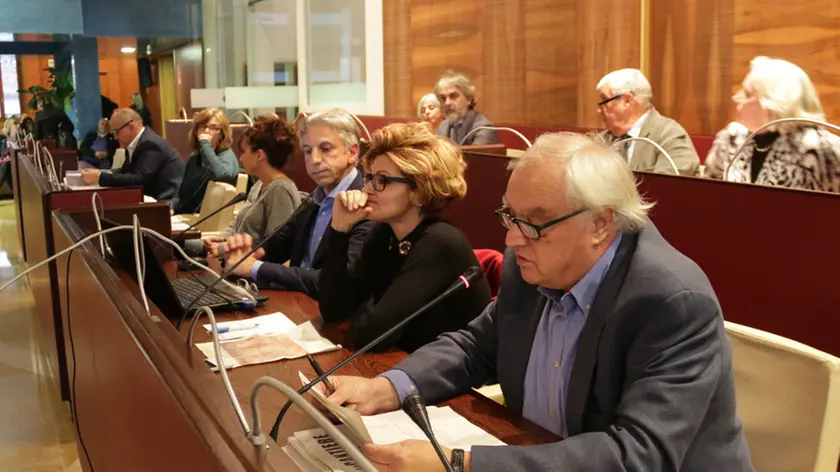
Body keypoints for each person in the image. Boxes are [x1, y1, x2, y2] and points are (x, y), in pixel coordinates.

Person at [320, 132, 754, 471]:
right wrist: (388, 387)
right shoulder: (530, 265)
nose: (511, 238)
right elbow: (476, 347)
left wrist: (460, 464)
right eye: (509, 216)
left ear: (601, 223)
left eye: (533, 224)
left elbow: (636, 456)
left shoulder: (670, 301)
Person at [317, 122, 492, 352]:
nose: (367, 189)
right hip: (408, 364)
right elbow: (334, 310)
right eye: (369, 177)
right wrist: (339, 229)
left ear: (419, 190)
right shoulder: (384, 233)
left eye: (382, 180)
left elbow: (373, 334)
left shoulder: (440, 243)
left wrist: (357, 322)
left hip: (461, 377)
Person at [217, 108, 372, 299]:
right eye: (307, 151)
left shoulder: (366, 204)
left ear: (352, 152)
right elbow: (277, 246)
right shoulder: (314, 200)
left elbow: (333, 281)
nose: (314, 160)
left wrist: (256, 267)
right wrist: (244, 252)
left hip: (335, 317)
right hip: (298, 306)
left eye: (325, 149)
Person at [705, 56, 840, 192]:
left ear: (771, 106)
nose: (735, 98)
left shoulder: (821, 149)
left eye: (746, 94)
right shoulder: (731, 138)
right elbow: (708, 192)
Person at [203, 114, 300, 248]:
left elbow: (275, 248)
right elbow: (237, 224)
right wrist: (221, 238)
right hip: (233, 258)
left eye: (244, 152)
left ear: (259, 155)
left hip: (249, 265)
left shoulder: (281, 190)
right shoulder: (259, 184)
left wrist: (224, 248)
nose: (241, 159)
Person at [594, 69, 699, 176]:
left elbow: (669, 187)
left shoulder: (670, 135)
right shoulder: (600, 141)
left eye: (604, 101)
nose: (599, 110)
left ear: (626, 101)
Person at [81, 108, 185, 201]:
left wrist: (100, 177)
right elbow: (126, 172)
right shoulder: (135, 144)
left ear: (131, 126)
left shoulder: (150, 143)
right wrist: (100, 173)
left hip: (169, 200)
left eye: (117, 132)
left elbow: (139, 179)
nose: (116, 137)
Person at [169, 108, 239, 215]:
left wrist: (205, 144)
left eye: (213, 127)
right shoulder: (195, 158)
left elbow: (221, 175)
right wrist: (171, 207)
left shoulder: (227, 156)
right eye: (202, 126)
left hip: (205, 219)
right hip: (186, 215)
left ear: (222, 133)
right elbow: (181, 193)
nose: (206, 131)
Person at [435, 71, 500, 146]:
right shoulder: (444, 126)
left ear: (468, 98)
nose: (447, 103)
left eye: (454, 96)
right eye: (443, 98)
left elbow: (473, 157)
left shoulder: (485, 129)